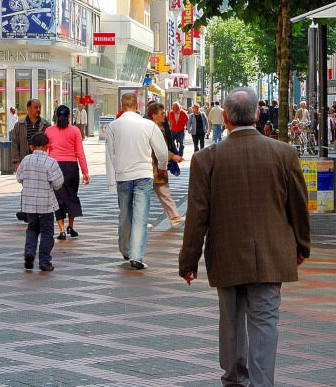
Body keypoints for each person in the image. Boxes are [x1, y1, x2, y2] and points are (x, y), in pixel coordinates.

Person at [180, 87, 310, 387]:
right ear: (257, 115)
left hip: (225, 254)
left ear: (225, 118)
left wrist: (188, 261)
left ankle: (235, 378)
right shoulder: (284, 153)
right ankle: (262, 382)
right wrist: (302, 246)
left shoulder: (205, 159)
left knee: (231, 319)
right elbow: (298, 206)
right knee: (265, 321)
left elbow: (197, 216)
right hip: (271, 254)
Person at [105, 93, 168, 269]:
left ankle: (125, 249)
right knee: (141, 216)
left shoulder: (113, 127)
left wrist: (112, 181)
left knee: (125, 214)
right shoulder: (148, 125)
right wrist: (162, 166)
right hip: (143, 175)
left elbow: (110, 155)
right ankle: (137, 255)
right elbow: (162, 151)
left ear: (121, 105)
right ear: (136, 105)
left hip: (123, 176)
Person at [17, 132, 65, 271]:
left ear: (31, 147)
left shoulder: (26, 160)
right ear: (47, 147)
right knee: (47, 233)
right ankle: (45, 262)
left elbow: (19, 177)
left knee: (32, 229)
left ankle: (29, 252)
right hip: (46, 204)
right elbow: (58, 183)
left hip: (29, 204)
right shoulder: (50, 162)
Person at [45, 105, 89, 240]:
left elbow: (46, 152)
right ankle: (71, 226)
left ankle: (62, 230)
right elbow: (79, 153)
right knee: (71, 196)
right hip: (71, 167)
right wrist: (85, 172)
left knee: (58, 199)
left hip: (54, 166)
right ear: (70, 116)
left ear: (56, 116)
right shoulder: (75, 131)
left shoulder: (49, 131)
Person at [146, 102, 185, 226]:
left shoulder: (160, 127)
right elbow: (159, 149)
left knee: (163, 191)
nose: (164, 115)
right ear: (153, 115)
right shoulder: (152, 128)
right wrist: (173, 156)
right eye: (162, 113)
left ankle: (174, 217)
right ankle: (139, 221)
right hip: (153, 166)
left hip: (155, 166)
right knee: (145, 194)